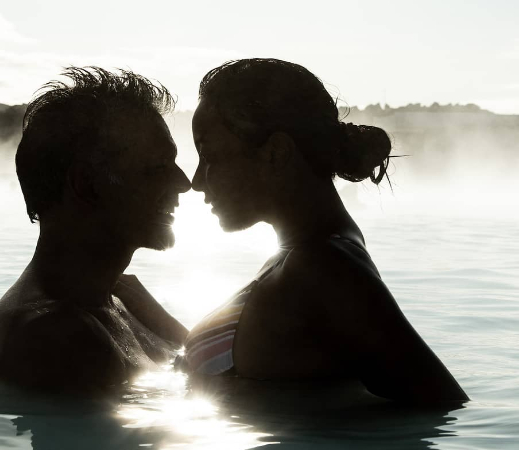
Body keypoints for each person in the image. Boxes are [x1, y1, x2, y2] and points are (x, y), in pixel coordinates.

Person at [181, 58, 468, 404]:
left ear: (275, 153)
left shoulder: (322, 266)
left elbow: (440, 405)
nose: (196, 182)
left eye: (208, 155)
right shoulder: (304, 256)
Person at [0, 67, 191, 394]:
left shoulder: (114, 299)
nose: (184, 183)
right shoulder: (58, 337)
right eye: (157, 168)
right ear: (87, 185)